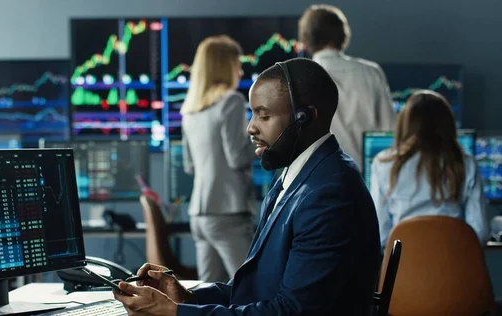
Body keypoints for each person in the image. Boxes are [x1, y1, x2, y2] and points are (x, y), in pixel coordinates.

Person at [113, 58, 381, 315]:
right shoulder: (296, 178)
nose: (250, 128)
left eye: (264, 116)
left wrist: (176, 314)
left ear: (305, 118)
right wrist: (189, 298)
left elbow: (292, 312)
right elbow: (257, 290)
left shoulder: (330, 194)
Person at [179, 35, 256, 282]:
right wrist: (264, 143)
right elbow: (237, 158)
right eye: (237, 64)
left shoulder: (190, 110)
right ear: (225, 66)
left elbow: (189, 166)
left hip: (199, 215)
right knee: (249, 287)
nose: (241, 70)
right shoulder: (231, 101)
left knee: (207, 292)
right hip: (227, 211)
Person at [370, 90, 489, 248]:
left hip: (403, 270)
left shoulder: (383, 164)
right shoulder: (467, 164)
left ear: (405, 125)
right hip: (454, 269)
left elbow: (380, 235)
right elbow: (479, 232)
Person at [298, 4, 396, 172]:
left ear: (306, 39)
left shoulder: (299, 77)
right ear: (343, 35)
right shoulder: (371, 73)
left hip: (317, 183)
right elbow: (389, 134)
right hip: (365, 182)